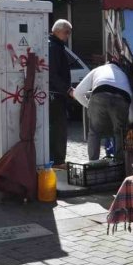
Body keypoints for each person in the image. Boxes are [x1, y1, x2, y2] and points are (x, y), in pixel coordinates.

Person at [73, 59, 133, 164]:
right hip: (121, 98)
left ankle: (93, 164)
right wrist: (129, 120)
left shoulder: (98, 70)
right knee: (120, 133)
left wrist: (89, 105)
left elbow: (77, 93)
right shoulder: (123, 75)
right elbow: (132, 102)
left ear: (106, 64)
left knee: (94, 132)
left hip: (99, 95)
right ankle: (119, 165)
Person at [48, 19, 74, 168]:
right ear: (57, 31)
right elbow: (53, 74)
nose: (68, 36)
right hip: (55, 94)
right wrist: (67, 89)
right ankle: (58, 161)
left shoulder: (56, 46)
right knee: (58, 128)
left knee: (58, 127)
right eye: (66, 32)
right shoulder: (54, 47)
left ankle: (57, 159)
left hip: (57, 93)